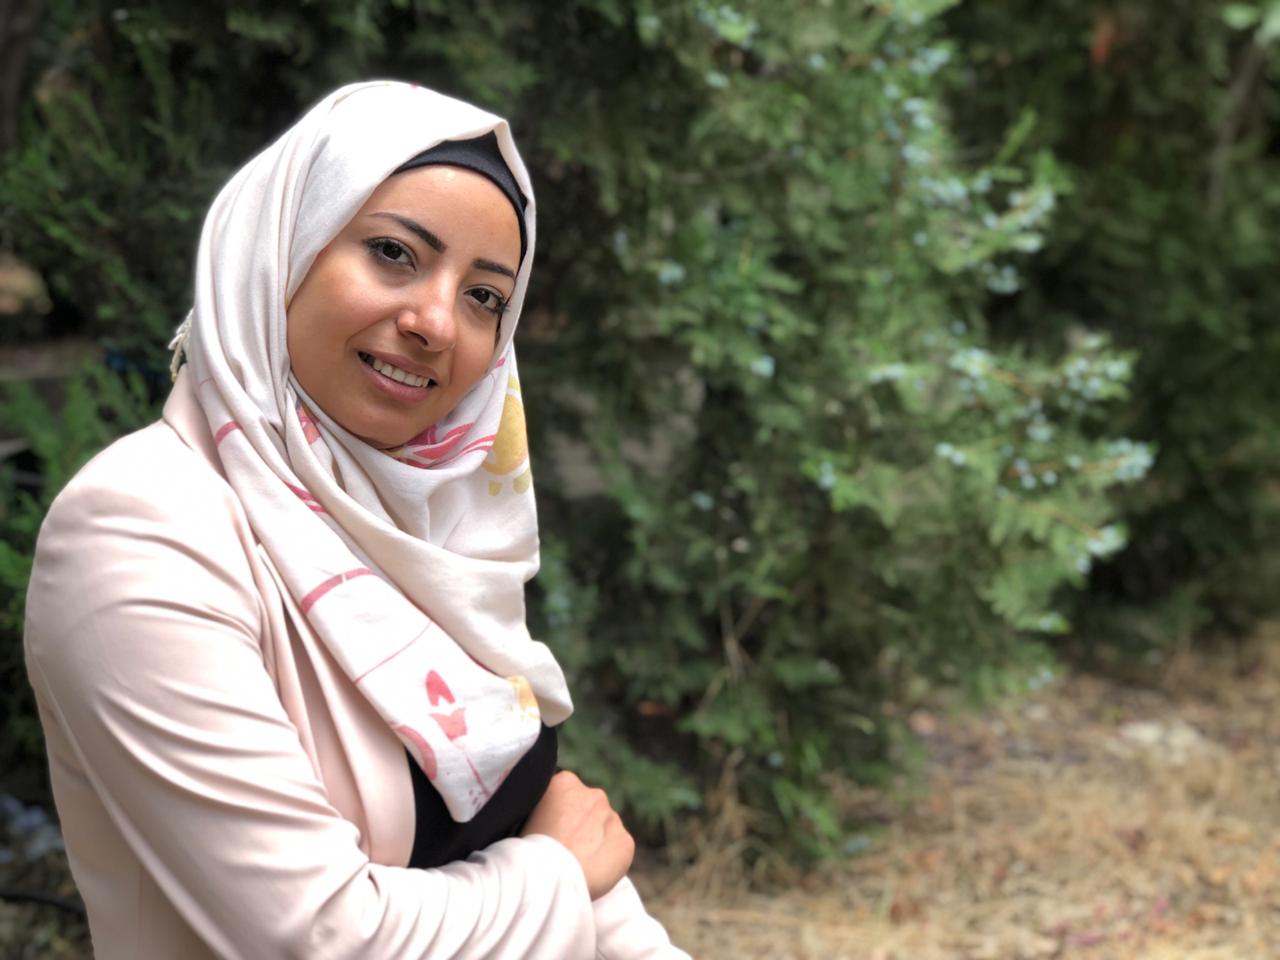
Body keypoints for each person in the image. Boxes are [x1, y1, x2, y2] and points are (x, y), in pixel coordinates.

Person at [23, 80, 689, 959]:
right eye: (393, 252)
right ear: (282, 251)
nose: (437, 322)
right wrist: (556, 874)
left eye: (485, 297)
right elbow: (319, 936)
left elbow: (538, 835)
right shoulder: (139, 533)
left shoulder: (425, 534)